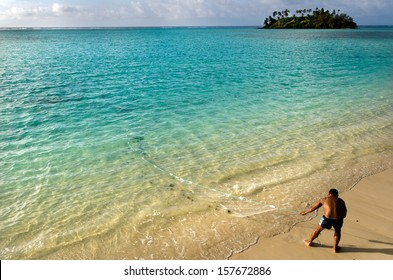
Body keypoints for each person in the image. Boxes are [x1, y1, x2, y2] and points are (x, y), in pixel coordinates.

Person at [300, 188, 347, 252]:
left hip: (327, 219)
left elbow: (312, 208)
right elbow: (344, 214)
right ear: (337, 195)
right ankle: (335, 248)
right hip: (338, 219)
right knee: (337, 232)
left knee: (317, 230)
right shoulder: (341, 201)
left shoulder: (324, 199)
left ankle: (309, 241)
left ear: (329, 194)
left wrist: (304, 212)